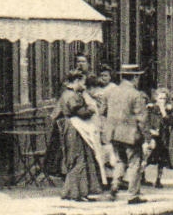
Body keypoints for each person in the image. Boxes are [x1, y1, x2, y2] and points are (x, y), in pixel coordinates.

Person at [49, 70, 104, 201]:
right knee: (78, 159)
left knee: (81, 158)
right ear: (76, 81)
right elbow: (81, 112)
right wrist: (91, 108)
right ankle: (75, 193)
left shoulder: (68, 94)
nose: (84, 85)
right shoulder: (71, 96)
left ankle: (78, 192)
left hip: (76, 128)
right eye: (82, 82)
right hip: (74, 128)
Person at [104, 64, 150, 204]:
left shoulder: (111, 92)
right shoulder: (136, 94)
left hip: (114, 133)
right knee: (135, 163)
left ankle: (114, 188)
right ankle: (132, 194)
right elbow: (142, 118)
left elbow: (103, 111)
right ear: (135, 77)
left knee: (120, 161)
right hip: (131, 134)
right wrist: (148, 137)